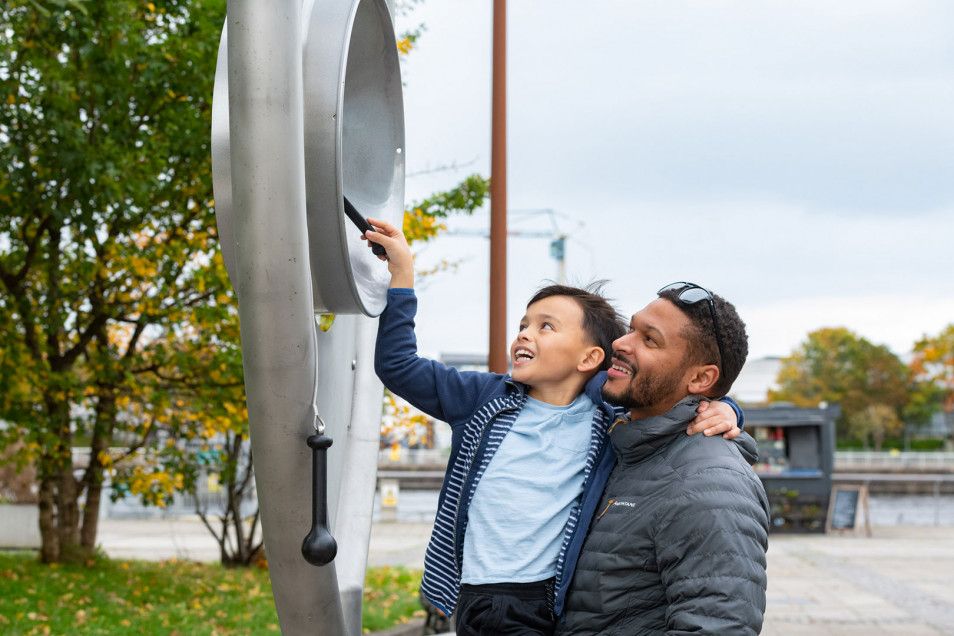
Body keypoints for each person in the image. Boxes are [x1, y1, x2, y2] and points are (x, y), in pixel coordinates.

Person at [364, 221, 744, 635]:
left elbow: (668, 401)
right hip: (468, 592)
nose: (525, 334)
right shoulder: (481, 397)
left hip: (540, 601)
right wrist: (401, 277)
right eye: (524, 325)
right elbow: (398, 366)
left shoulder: (605, 410)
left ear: (588, 359)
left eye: (546, 326)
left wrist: (728, 410)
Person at [557, 282, 771, 636]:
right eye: (631, 330)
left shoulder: (711, 485)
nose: (621, 344)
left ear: (701, 378)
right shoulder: (620, 446)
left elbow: (718, 627)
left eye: (649, 339)